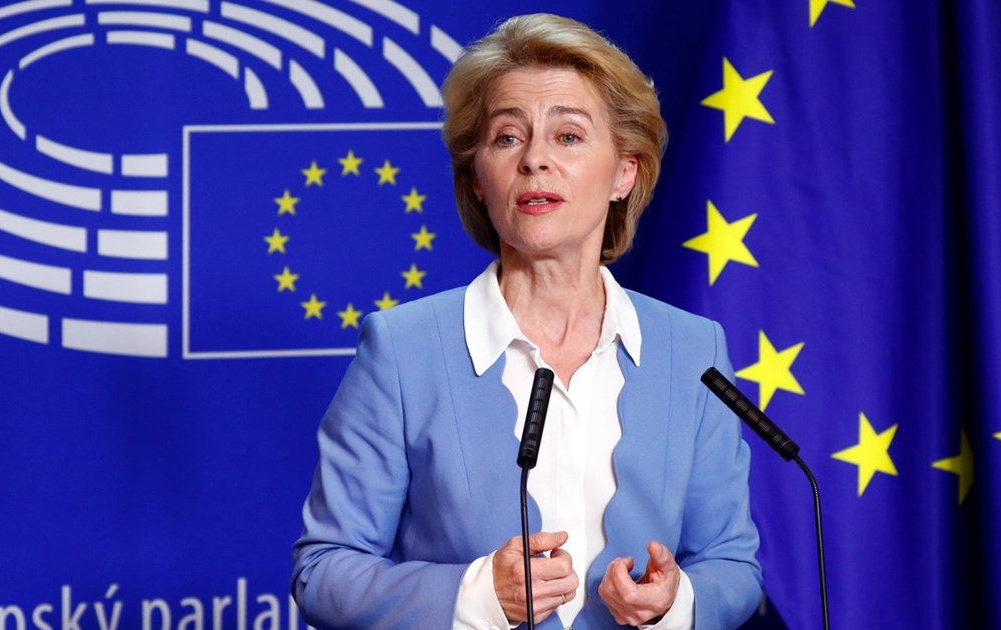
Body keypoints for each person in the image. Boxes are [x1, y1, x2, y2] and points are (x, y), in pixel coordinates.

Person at [292, 13, 761, 630]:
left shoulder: (692, 349)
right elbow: (323, 569)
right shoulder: (403, 351)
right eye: (508, 137)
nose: (535, 159)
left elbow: (732, 564)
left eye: (568, 136)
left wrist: (676, 603)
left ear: (625, 172)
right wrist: (476, 595)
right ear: (477, 179)